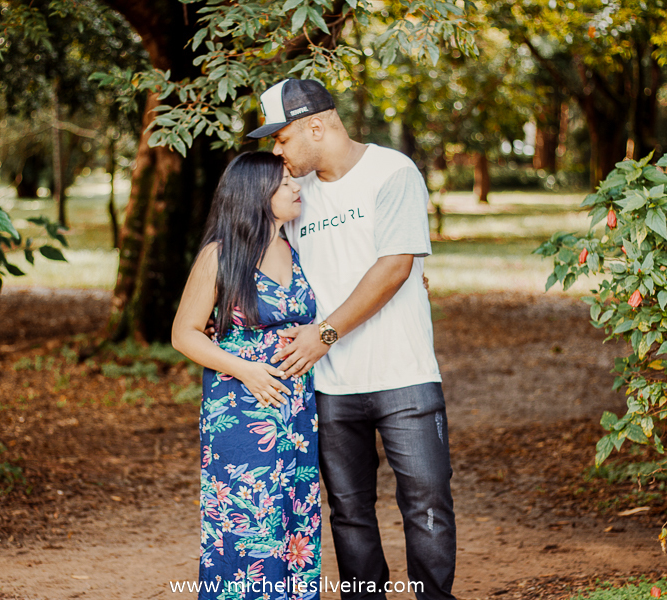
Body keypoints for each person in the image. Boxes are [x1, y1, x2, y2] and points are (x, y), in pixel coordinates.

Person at [246, 79, 457, 600]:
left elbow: (395, 267)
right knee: (349, 510)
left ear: (316, 126)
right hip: (331, 385)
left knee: (428, 505)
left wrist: (325, 333)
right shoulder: (295, 195)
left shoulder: (392, 172)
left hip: (404, 375)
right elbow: (259, 257)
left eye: (282, 138)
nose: (277, 151)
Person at [171, 151, 322, 600]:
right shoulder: (221, 255)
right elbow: (184, 333)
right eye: (284, 182)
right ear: (256, 193)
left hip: (297, 412)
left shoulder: (296, 247)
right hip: (240, 410)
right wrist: (246, 370)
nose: (295, 187)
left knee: (295, 518)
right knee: (248, 522)